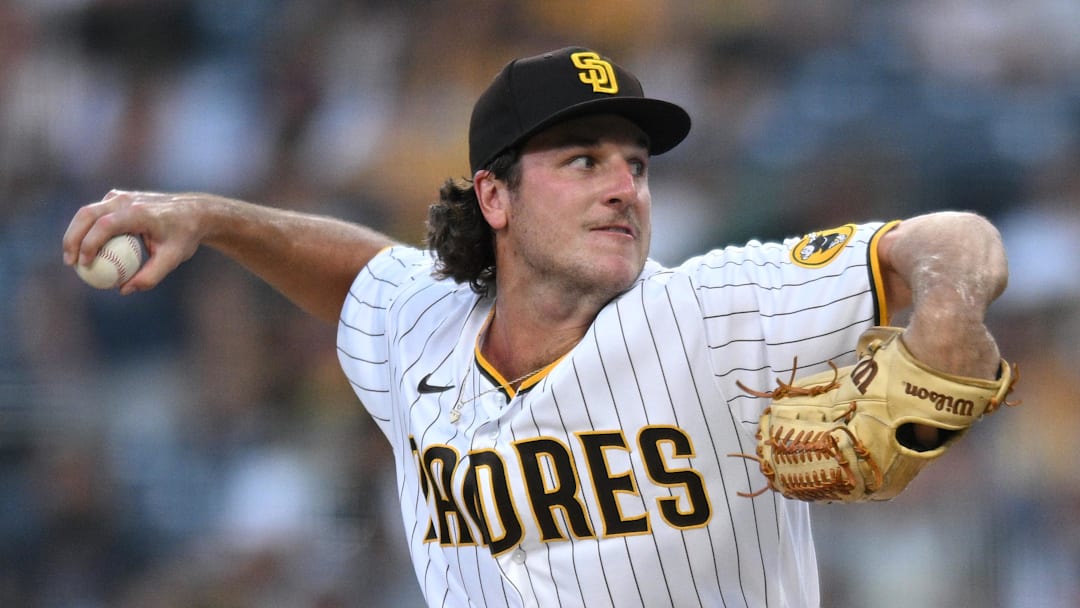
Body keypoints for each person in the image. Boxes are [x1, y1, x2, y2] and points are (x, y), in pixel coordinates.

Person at [62, 47, 1009, 607]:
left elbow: (954, 240)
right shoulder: (422, 324)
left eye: (636, 165)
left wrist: (948, 327)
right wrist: (211, 218)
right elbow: (360, 273)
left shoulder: (716, 309)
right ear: (496, 196)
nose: (623, 188)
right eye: (584, 159)